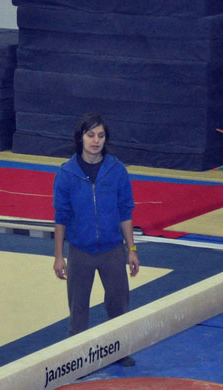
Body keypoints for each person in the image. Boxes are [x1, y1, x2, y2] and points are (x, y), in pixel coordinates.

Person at [53, 113, 139, 366]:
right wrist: (58, 256)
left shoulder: (117, 170)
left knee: (118, 304)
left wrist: (132, 249)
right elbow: (61, 217)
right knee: (78, 309)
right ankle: (76, 358)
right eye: (90, 135)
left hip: (112, 250)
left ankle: (119, 350)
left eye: (100, 135)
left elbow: (125, 212)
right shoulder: (67, 173)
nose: (95, 140)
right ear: (80, 138)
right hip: (80, 251)